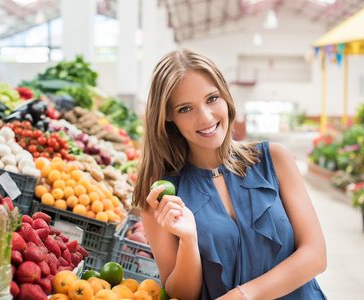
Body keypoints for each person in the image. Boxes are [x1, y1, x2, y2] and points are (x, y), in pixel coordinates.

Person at [132, 49, 327, 300]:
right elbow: (182, 293)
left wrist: (243, 295)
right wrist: (188, 240)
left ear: (225, 96)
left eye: (212, 99)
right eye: (185, 109)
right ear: (168, 116)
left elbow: (315, 255)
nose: (205, 117)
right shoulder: (161, 192)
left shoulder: (275, 160)